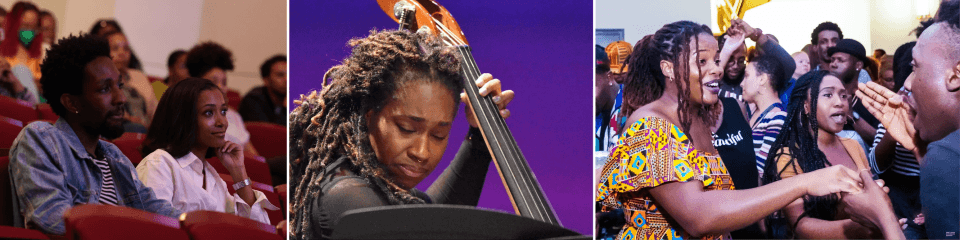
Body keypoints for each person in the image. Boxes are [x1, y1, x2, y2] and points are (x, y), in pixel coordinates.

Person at [596, 20, 862, 240]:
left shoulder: (696, 120)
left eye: (715, 59)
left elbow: (720, 203)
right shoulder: (649, 125)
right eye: (702, 61)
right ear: (668, 69)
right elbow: (700, 218)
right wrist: (804, 182)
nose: (716, 69)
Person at [288, 30, 514, 239]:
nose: (422, 153)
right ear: (368, 116)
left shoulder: (375, 185)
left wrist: (480, 137)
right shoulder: (347, 196)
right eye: (406, 129)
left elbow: (431, 213)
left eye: (439, 135)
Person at [7, 33, 180, 235]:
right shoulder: (41, 139)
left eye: (119, 86)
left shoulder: (113, 155)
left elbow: (157, 210)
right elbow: (53, 219)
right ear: (71, 102)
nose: (121, 98)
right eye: (105, 89)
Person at [851, 1, 960, 238]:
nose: (908, 83)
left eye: (915, 66)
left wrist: (883, 216)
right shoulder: (947, 155)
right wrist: (918, 149)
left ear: (956, 75)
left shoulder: (948, 156)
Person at [136, 78, 279, 225]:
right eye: (208, 113)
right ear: (182, 117)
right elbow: (154, 229)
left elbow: (258, 228)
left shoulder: (211, 175)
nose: (222, 122)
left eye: (223, 111)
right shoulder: (159, 164)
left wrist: (239, 171)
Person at [761, 70, 881, 238]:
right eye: (828, 95)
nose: (839, 102)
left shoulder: (853, 146)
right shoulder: (789, 156)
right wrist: (862, 227)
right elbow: (800, 226)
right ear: (806, 106)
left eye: (843, 95)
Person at [866, 41, 926, 239]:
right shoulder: (897, 102)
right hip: (897, 190)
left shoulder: (939, 106)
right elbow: (874, 165)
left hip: (928, 187)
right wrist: (893, 131)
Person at [185, 42, 259, 156]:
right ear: (196, 82)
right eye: (214, 81)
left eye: (224, 82)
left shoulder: (233, 115)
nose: (221, 88)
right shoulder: (188, 114)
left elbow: (252, 154)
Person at [741, 55, 788, 177]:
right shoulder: (751, 111)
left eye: (746, 76)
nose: (741, 83)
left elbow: (762, 171)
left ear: (762, 79)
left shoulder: (778, 117)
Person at [105, 30, 156, 132]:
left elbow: (154, 110)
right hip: (119, 125)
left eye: (126, 49)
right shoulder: (100, 75)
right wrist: (131, 119)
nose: (121, 53)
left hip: (145, 126)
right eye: (115, 48)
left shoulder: (138, 76)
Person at [1, 2, 43, 103]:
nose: (29, 31)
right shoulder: (2, 49)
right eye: (25, 25)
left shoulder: (40, 53)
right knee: (21, 70)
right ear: (14, 24)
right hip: (11, 100)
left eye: (33, 28)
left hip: (32, 99)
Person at [239, 54, 286, 125]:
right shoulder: (253, 100)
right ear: (266, 80)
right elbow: (270, 133)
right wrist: (285, 110)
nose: (287, 79)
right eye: (280, 75)